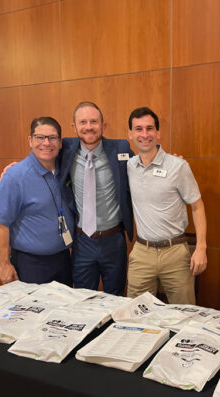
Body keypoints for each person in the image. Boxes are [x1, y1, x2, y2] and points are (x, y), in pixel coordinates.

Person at [126, 107, 207, 304]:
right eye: (138, 129)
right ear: (130, 134)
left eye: (149, 128)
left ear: (158, 133)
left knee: (184, 314)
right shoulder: (129, 166)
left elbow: (197, 206)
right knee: (135, 314)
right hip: (142, 252)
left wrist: (201, 248)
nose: (144, 135)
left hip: (175, 252)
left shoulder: (178, 166)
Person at [58, 102, 134, 295]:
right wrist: (14, 166)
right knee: (82, 298)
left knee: (115, 297)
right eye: (83, 122)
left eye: (94, 121)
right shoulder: (65, 149)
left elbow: (144, 166)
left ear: (103, 125)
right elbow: (42, 153)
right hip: (82, 241)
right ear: (74, 127)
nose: (89, 126)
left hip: (114, 240)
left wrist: (169, 161)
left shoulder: (120, 148)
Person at [0, 117, 74, 286]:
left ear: (60, 142)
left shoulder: (65, 169)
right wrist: (4, 265)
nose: (46, 143)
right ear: (30, 140)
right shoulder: (15, 176)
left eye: (52, 138)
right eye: (40, 137)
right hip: (31, 264)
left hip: (64, 259)